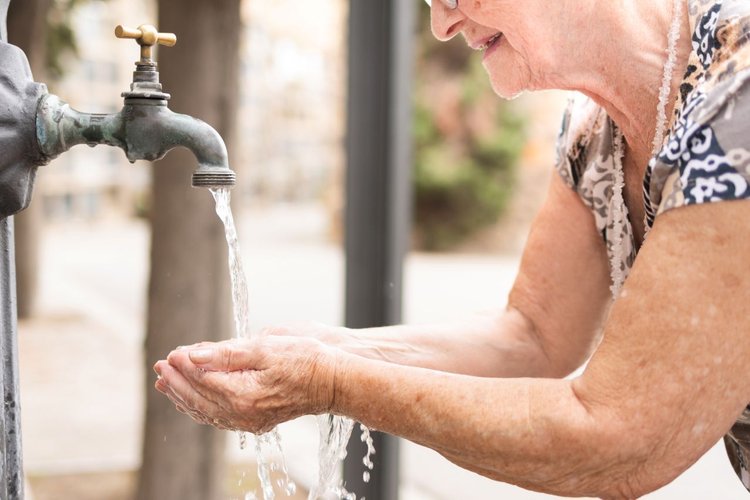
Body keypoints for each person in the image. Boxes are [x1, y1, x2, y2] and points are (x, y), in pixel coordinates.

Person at [153, 0, 750, 496]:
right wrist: (331, 349)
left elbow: (619, 442)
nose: (442, 23)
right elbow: (531, 335)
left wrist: (329, 383)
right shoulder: (594, 135)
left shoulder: (739, 95)